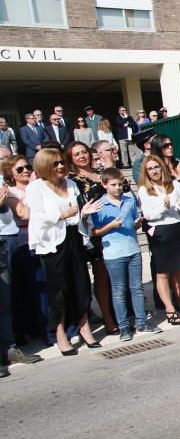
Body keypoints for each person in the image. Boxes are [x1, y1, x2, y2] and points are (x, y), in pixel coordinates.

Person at [24, 148, 104, 354]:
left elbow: (77, 212)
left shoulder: (71, 184)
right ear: (44, 166)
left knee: (81, 285)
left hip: (74, 238)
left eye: (61, 162)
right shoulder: (36, 188)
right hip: (52, 244)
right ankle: (60, 333)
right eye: (55, 164)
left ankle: (85, 328)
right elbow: (37, 217)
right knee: (59, 291)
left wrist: (83, 213)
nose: (60, 166)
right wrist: (61, 215)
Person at [89, 168, 161, 341]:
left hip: (133, 249)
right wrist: (111, 226)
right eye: (113, 185)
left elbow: (133, 224)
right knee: (119, 290)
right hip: (113, 253)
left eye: (120, 184)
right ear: (104, 185)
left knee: (136, 287)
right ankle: (123, 327)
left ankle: (142, 322)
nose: (118, 188)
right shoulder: (100, 205)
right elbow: (95, 231)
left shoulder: (129, 200)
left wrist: (137, 224)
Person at [137, 155, 180, 325]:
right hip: (160, 231)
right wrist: (164, 207)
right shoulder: (144, 189)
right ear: (146, 172)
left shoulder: (175, 184)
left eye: (156, 167)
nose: (154, 171)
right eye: (150, 168)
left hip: (179, 227)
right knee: (163, 273)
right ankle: (170, 309)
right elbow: (148, 215)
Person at [66, 141, 116, 334]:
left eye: (84, 152)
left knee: (117, 276)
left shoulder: (102, 172)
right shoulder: (73, 179)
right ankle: (108, 318)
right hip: (95, 231)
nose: (82, 156)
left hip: (116, 227)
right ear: (70, 158)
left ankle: (122, 312)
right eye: (76, 154)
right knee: (102, 277)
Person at [1, 155, 48, 348]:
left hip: (44, 239)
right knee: (27, 289)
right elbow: (24, 213)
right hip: (22, 242)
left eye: (27, 167)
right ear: (11, 175)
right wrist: (34, 192)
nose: (26, 171)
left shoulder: (36, 186)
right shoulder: (10, 192)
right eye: (20, 169)